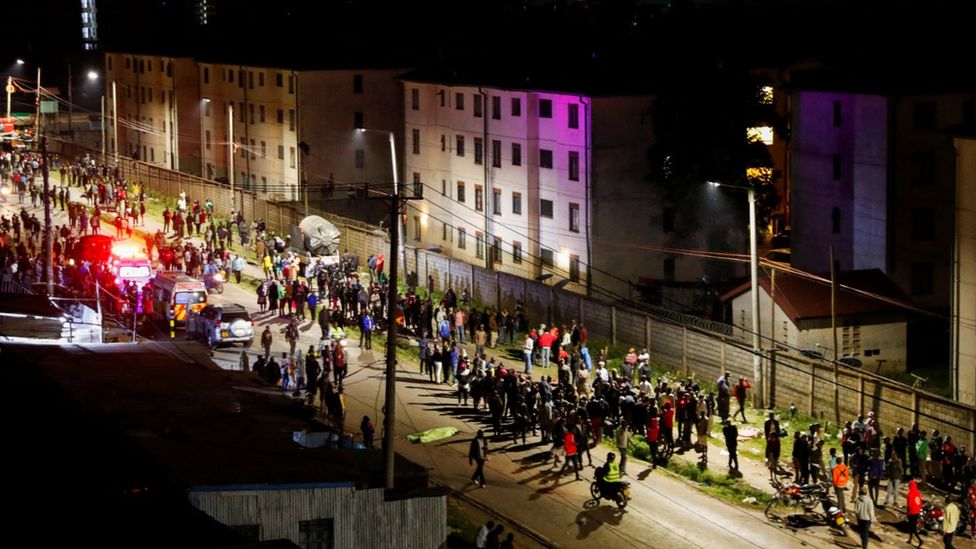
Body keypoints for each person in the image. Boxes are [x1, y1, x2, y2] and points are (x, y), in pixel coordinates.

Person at [906, 480, 923, 546]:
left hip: (911, 513)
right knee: (911, 527)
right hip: (917, 512)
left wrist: (908, 512)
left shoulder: (910, 493)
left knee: (912, 528)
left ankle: (920, 540)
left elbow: (909, 505)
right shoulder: (918, 493)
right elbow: (920, 503)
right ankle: (910, 539)